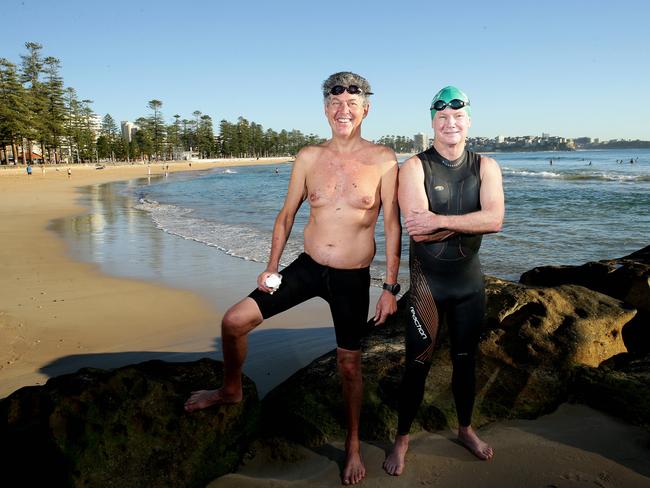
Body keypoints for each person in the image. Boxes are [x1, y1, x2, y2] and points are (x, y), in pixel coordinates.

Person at [184, 71, 401, 485]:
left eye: (352, 103)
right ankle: (231, 389)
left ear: (365, 109)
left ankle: (353, 444)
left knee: (350, 366)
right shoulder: (308, 158)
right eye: (335, 103)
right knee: (234, 321)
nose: (344, 109)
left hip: (352, 278)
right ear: (325, 108)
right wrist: (271, 266)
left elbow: (393, 224)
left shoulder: (384, 159)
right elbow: (286, 215)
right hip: (306, 268)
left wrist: (390, 288)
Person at [384, 86, 504, 476]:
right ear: (432, 122)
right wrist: (467, 223)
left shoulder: (486, 166)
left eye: (457, 116)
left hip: (470, 285)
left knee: (465, 362)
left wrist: (440, 220)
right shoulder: (414, 167)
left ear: (468, 120)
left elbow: (496, 220)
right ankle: (402, 439)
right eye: (442, 117)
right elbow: (417, 231)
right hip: (427, 287)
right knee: (416, 364)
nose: (450, 123)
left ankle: (466, 429)